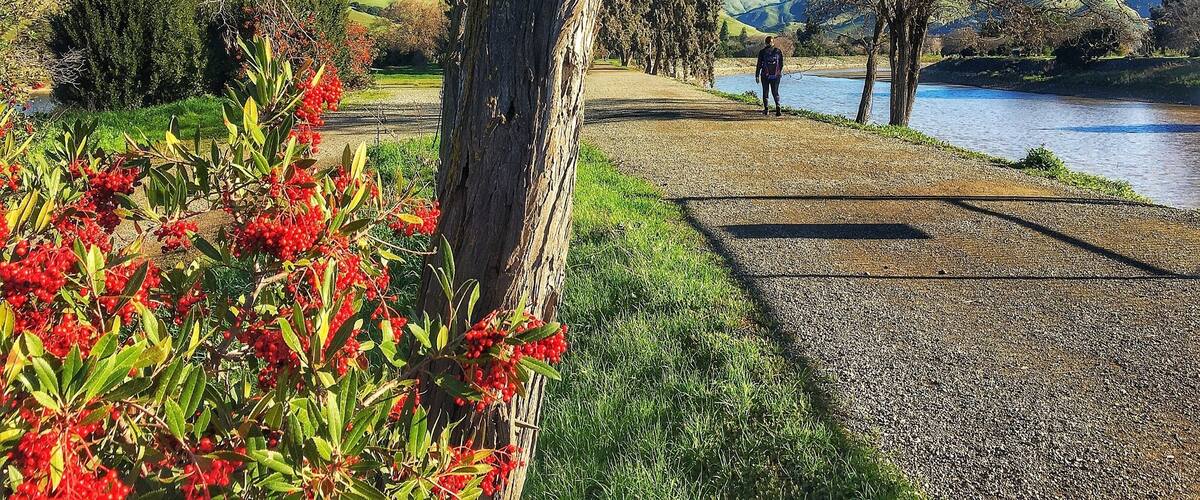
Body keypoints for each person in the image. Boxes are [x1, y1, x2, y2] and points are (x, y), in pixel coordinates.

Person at [755, 37, 784, 116]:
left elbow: (759, 65)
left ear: (765, 43)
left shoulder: (762, 52)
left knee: (765, 91)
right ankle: (778, 106)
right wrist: (778, 73)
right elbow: (781, 64)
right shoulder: (778, 51)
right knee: (775, 92)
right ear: (773, 42)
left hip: (765, 75)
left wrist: (757, 75)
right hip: (776, 76)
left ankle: (766, 109)